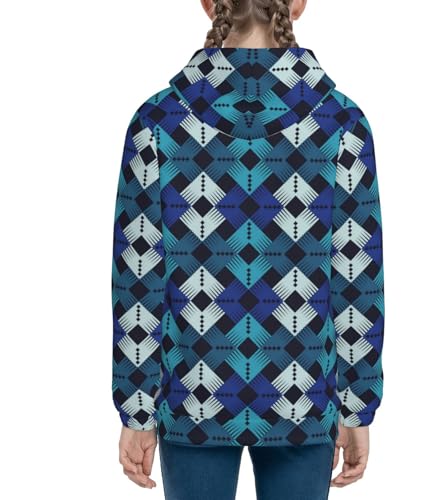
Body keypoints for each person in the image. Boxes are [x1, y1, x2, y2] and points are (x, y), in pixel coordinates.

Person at [110, 0, 385, 498]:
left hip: (194, 397)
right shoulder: (342, 124)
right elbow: (357, 278)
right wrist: (356, 406)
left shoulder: (157, 123)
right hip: (302, 398)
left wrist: (137, 408)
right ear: (297, 5)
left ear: (208, 3)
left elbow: (138, 280)